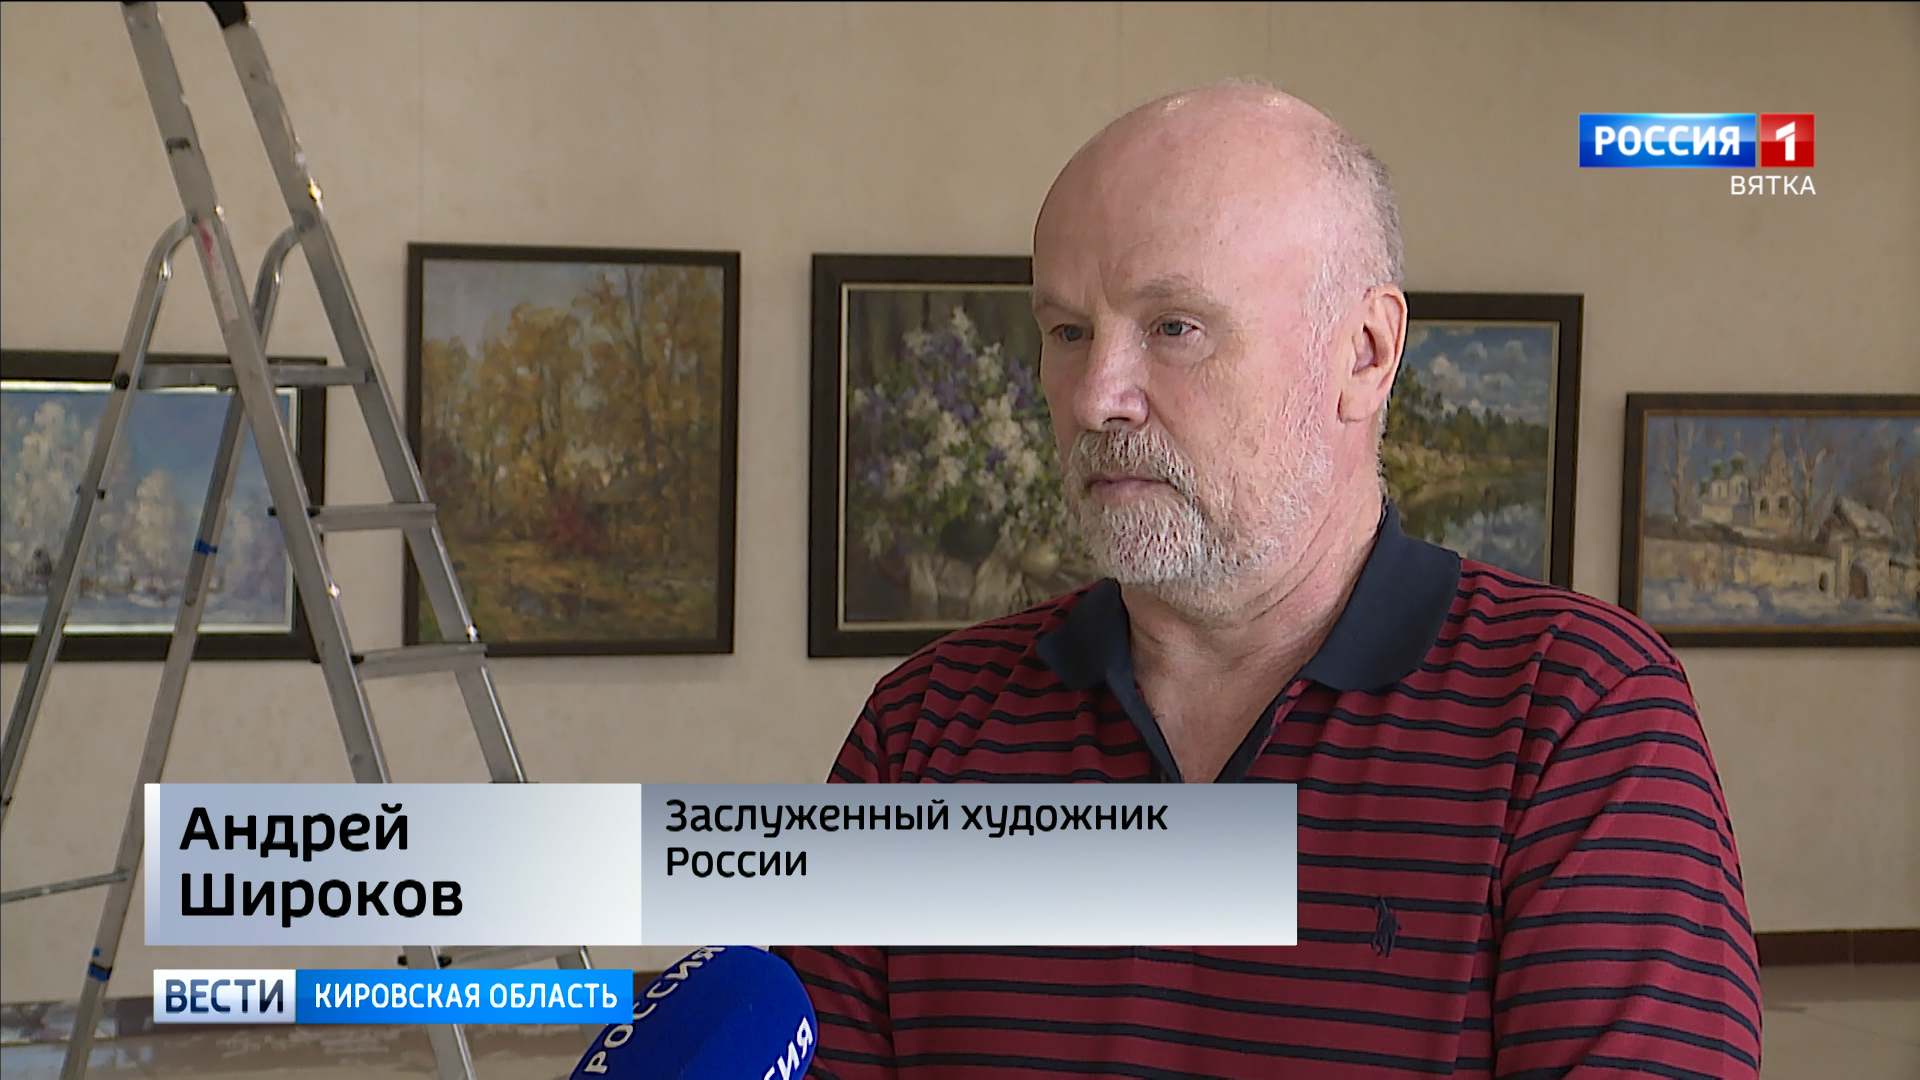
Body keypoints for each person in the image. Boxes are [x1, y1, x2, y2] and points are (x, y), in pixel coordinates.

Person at [778, 82, 1760, 1079]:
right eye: (1068, 331)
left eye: (1174, 327)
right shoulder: (921, 731)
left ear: (1365, 354)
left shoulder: (1579, 715)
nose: (1095, 397)